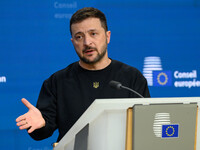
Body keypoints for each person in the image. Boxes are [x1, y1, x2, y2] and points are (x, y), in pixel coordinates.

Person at [16, 7, 150, 142]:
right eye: (79, 37)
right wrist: (41, 124)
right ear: (73, 42)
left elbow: (145, 126)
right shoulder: (57, 81)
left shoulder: (132, 78)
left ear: (107, 36)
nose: (87, 42)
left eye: (93, 34)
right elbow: (42, 131)